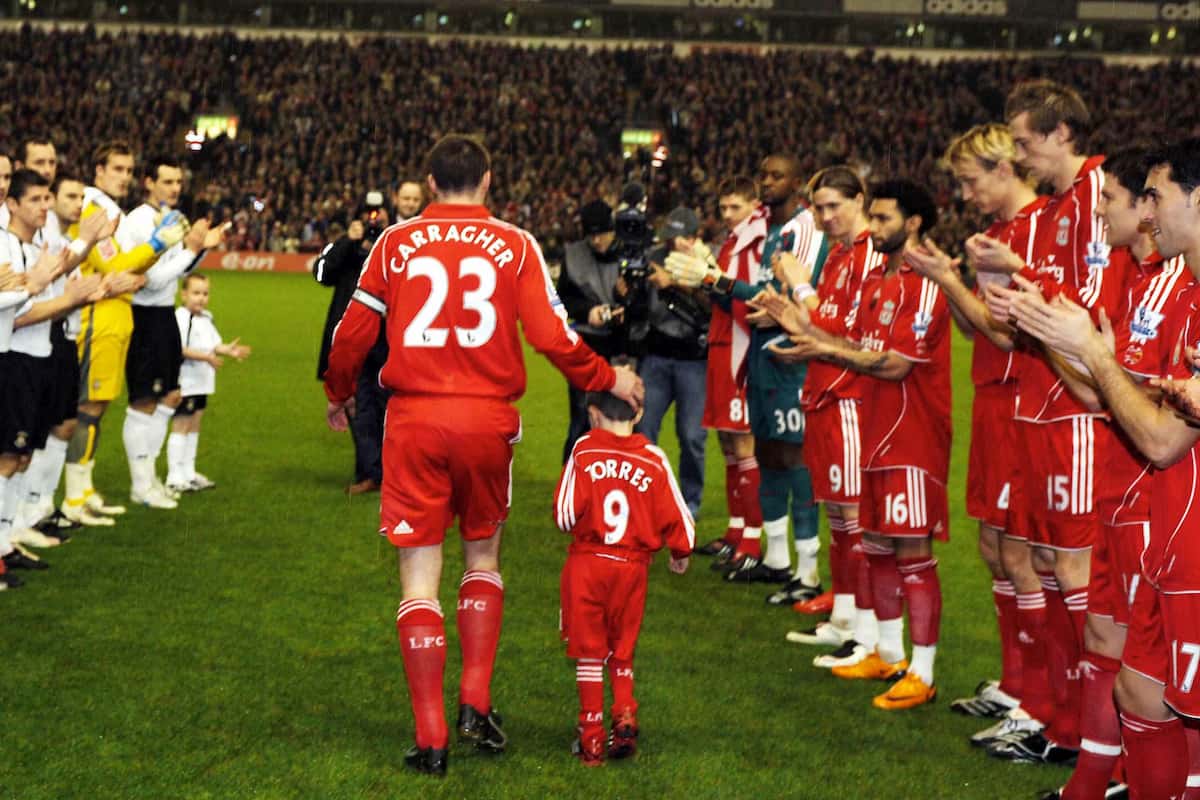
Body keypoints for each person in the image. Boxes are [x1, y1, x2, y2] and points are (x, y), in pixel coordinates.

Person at [323, 134, 643, 777]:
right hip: (488, 421)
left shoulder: (394, 242)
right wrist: (609, 378)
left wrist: (338, 393)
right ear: (488, 181)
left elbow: (353, 332)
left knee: (419, 576)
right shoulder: (518, 244)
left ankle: (432, 739)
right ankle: (475, 701)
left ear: (431, 181)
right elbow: (554, 336)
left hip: (412, 419)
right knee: (483, 554)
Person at [1007, 139, 1200, 799]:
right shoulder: (1169, 286)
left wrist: (1086, 350)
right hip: (1157, 513)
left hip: (1168, 512)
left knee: (1176, 702)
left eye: (1151, 195)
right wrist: (1075, 347)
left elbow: (1158, 435)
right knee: (1140, 689)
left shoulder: (1181, 288)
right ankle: (1093, 780)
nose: (1142, 213)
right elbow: (1115, 393)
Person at [973, 80, 1131, 765]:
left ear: (1063, 133)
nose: (1021, 155)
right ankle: (1063, 722)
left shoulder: (1100, 194)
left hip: (1077, 405)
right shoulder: (1066, 204)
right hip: (1042, 398)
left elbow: (1092, 308)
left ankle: (1091, 735)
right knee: (1046, 561)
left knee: (1076, 571)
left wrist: (1020, 270)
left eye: (1028, 141)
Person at [761, 179, 950, 710]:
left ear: (913, 223)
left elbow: (895, 363)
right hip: (872, 426)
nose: (877, 227)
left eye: (885, 219)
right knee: (877, 544)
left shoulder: (924, 282)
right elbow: (846, 341)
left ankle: (924, 670)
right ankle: (887, 652)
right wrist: (804, 329)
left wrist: (820, 346)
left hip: (911, 433)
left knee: (912, 552)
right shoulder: (876, 282)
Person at [905, 124, 1047, 724]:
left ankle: (1042, 702)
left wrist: (945, 281)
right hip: (991, 398)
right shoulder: (997, 234)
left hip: (1024, 401)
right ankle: (1017, 684)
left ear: (1004, 168)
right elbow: (975, 329)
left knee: (1022, 556)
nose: (964, 194)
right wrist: (956, 283)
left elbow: (1003, 330)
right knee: (993, 549)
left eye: (969, 181)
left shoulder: (1037, 228)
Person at [554, 374, 693, 766]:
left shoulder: (584, 450)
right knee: (622, 646)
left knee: (588, 651)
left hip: (589, 563)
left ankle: (592, 736)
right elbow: (680, 515)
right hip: (633, 568)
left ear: (593, 414)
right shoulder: (653, 457)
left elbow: (565, 515)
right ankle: (625, 714)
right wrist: (680, 552)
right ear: (640, 413)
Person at [776, 166, 881, 662]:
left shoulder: (868, 256)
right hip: (823, 391)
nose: (825, 216)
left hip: (850, 396)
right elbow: (819, 324)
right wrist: (786, 312)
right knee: (840, 515)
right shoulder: (838, 256)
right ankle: (844, 617)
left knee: (855, 517)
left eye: (834, 205)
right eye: (818, 207)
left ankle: (867, 631)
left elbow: (850, 330)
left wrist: (800, 290)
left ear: (860, 200)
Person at [61, 140, 188, 524]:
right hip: (98, 318)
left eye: (128, 170)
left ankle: (82, 490)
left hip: (116, 319)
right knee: (87, 408)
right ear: (98, 171)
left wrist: (146, 256)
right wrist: (154, 245)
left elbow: (122, 272)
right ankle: (73, 497)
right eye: (117, 169)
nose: (124, 177)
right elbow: (113, 268)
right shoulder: (94, 209)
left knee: (96, 408)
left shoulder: (109, 210)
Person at [120, 155, 226, 508]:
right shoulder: (137, 221)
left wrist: (200, 251)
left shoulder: (171, 220)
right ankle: (141, 485)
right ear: (148, 182)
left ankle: (150, 479)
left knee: (169, 398)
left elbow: (176, 273)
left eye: (178, 182)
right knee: (143, 404)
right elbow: (148, 282)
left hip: (164, 316)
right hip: (144, 317)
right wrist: (192, 249)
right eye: (167, 181)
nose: (175, 188)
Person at [314, 190, 411, 495]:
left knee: (389, 406)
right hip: (353, 336)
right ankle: (369, 472)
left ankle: (390, 471)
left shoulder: (397, 240)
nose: (374, 218)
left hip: (388, 336)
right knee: (358, 407)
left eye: (379, 212)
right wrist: (347, 241)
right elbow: (321, 274)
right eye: (369, 212)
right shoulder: (348, 242)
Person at [693, 177, 764, 567]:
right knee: (727, 444)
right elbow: (722, 295)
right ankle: (736, 530)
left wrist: (708, 276)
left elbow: (749, 297)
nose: (728, 215)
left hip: (741, 350)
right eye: (723, 209)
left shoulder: (754, 244)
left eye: (735, 208)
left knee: (744, 444)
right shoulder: (733, 243)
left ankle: (752, 541)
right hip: (721, 344)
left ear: (754, 205)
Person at [639, 206, 711, 518]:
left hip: (694, 359)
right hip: (656, 356)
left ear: (696, 237)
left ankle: (689, 504)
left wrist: (676, 284)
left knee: (692, 436)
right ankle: (644, 498)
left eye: (682, 237)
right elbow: (638, 308)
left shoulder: (709, 262)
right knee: (643, 431)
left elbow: (713, 307)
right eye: (671, 236)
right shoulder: (651, 255)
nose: (675, 243)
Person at [165, 273, 251, 492]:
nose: (201, 298)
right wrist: (207, 358)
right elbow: (179, 348)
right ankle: (174, 476)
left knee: (195, 424)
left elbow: (214, 344)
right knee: (181, 424)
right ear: (183, 295)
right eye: (195, 293)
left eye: (205, 293)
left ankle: (189, 471)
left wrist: (229, 350)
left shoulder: (205, 317)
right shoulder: (182, 317)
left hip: (202, 381)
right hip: (185, 381)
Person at [556, 199, 626, 462]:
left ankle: (615, 479)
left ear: (613, 229)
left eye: (602, 233)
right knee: (581, 417)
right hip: (587, 342)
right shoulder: (574, 254)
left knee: (622, 419)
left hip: (623, 345)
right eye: (591, 235)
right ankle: (572, 480)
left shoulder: (630, 252)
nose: (597, 240)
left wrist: (626, 304)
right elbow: (562, 298)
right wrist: (588, 312)